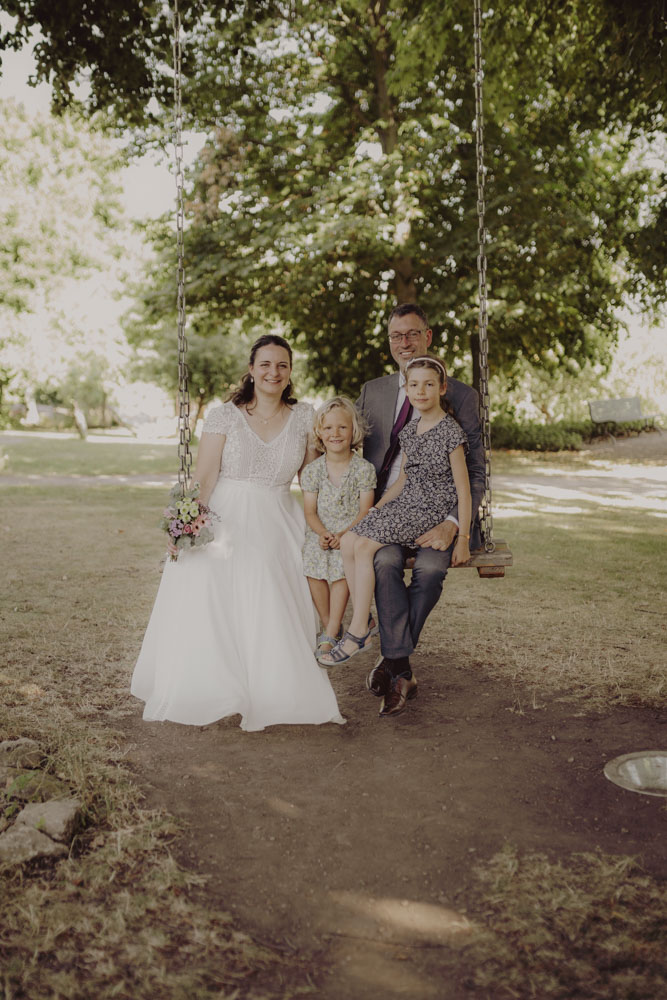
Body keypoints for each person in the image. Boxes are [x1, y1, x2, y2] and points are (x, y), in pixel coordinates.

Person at [131, 334, 345, 732]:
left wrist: (332, 517)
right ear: (251, 369)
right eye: (265, 364)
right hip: (226, 515)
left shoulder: (304, 416)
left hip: (278, 516)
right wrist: (187, 523)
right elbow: (205, 476)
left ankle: (273, 689)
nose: (273, 372)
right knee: (215, 598)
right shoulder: (224, 416)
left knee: (270, 595)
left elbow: (311, 478)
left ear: (290, 372)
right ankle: (217, 687)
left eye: (282, 365)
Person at [356, 304, 485, 717]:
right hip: (392, 511)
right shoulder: (373, 392)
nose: (404, 342)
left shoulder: (461, 397)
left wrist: (454, 525)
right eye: (396, 336)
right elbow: (346, 447)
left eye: (412, 334)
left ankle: (392, 659)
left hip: (440, 514)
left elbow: (474, 474)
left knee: (429, 571)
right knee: (384, 563)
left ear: (427, 337)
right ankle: (401, 670)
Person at [320, 357, 471, 697]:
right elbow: (403, 480)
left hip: (429, 512)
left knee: (363, 545)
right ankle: (365, 621)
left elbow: (463, 489)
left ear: (442, 388)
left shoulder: (450, 432)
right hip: (404, 505)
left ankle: (357, 631)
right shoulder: (409, 430)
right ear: (407, 388)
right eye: (414, 385)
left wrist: (462, 536)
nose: (421, 391)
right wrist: (376, 508)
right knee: (350, 541)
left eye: (429, 384)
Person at [300, 397, 377, 658]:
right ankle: (330, 625)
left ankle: (331, 631)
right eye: (329, 428)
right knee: (313, 563)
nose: (335, 433)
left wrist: (344, 534)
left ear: (353, 431)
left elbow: (365, 510)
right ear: (319, 433)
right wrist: (323, 533)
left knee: (342, 563)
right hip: (321, 531)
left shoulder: (363, 469)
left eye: (342, 427)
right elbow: (309, 511)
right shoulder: (312, 471)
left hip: (351, 531)